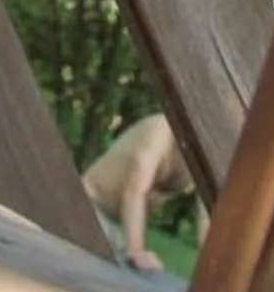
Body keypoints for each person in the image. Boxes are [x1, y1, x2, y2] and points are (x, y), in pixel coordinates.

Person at [81, 114, 205, 273]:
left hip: (120, 229)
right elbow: (134, 191)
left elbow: (208, 218)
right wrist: (136, 251)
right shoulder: (161, 131)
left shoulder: (206, 156)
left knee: (146, 278)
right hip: (90, 204)